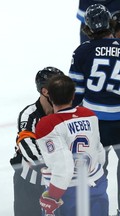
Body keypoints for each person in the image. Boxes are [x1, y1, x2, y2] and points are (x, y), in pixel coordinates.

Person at [69, 4, 120, 215]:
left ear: (87, 27)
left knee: (96, 171)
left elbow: (76, 93)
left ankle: (96, 211)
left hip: (94, 123)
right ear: (110, 23)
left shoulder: (81, 52)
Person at [35, 75, 108, 216]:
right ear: (73, 95)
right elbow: (99, 150)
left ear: (49, 96)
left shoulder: (47, 124)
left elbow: (64, 166)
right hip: (96, 184)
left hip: (66, 192)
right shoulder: (89, 114)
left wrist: (52, 196)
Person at [9, 67, 64, 216]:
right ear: (45, 92)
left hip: (58, 182)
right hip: (28, 184)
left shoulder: (65, 111)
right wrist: (49, 169)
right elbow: (27, 145)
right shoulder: (29, 114)